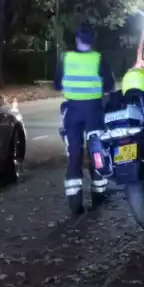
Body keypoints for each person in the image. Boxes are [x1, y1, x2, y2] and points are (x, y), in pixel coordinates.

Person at [53, 24, 115, 214]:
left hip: (72, 110)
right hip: (94, 110)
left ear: (77, 39)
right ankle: (98, 194)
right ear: (93, 40)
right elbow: (109, 86)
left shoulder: (66, 58)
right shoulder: (99, 58)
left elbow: (57, 84)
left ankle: (75, 202)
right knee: (97, 150)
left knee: (74, 153)